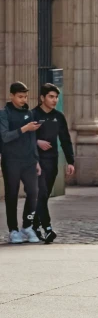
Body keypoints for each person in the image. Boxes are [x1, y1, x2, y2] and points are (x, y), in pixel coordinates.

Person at [33, 83, 75, 243]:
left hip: (52, 161)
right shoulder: (33, 115)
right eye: (51, 97)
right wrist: (37, 141)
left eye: (56, 97)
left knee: (44, 196)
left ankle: (34, 225)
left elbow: (65, 140)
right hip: (36, 162)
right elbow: (24, 138)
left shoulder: (59, 116)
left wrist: (70, 161)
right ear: (42, 98)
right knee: (42, 193)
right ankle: (48, 228)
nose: (54, 100)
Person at [0, 82, 41, 244]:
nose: (23, 100)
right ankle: (13, 230)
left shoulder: (29, 113)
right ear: (11, 96)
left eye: (25, 96)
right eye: (20, 96)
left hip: (29, 160)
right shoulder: (4, 114)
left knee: (33, 192)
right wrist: (24, 128)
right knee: (12, 194)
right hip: (11, 160)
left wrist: (36, 160)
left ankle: (27, 225)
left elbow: (32, 139)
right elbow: (4, 137)